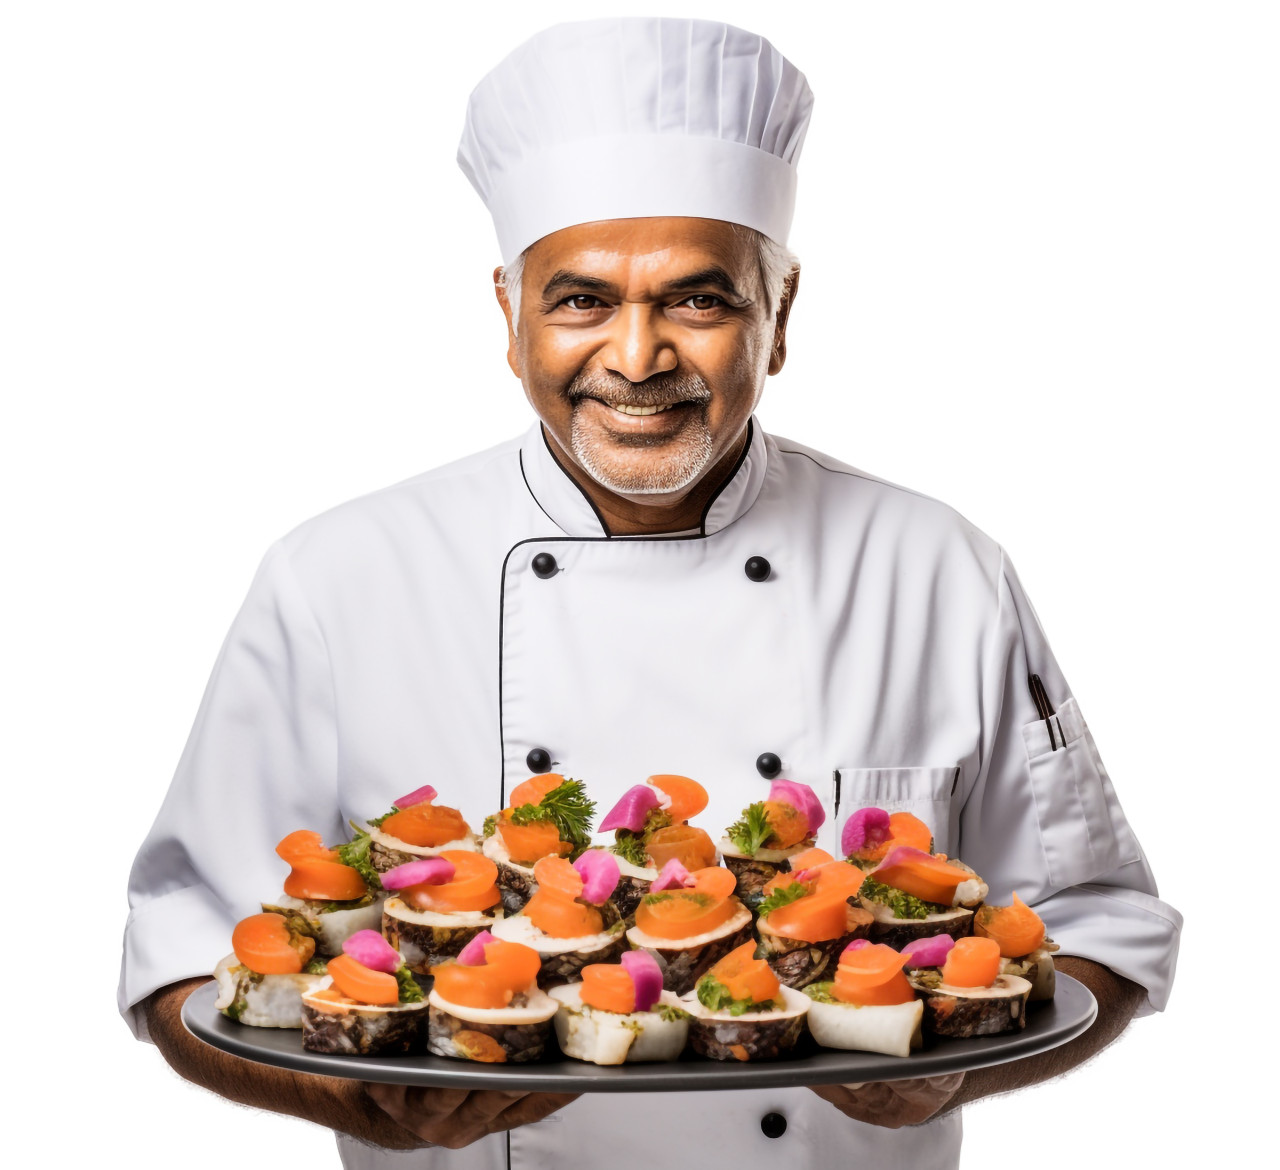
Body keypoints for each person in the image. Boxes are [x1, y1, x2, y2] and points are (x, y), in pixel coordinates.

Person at [119, 16, 1181, 1170]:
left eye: (697, 300)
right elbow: (178, 957)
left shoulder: (936, 568)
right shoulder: (336, 577)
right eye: (578, 300)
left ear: (778, 319)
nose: (635, 357)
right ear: (506, 318)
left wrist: (957, 1065)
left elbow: (1099, 931)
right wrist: (355, 1098)